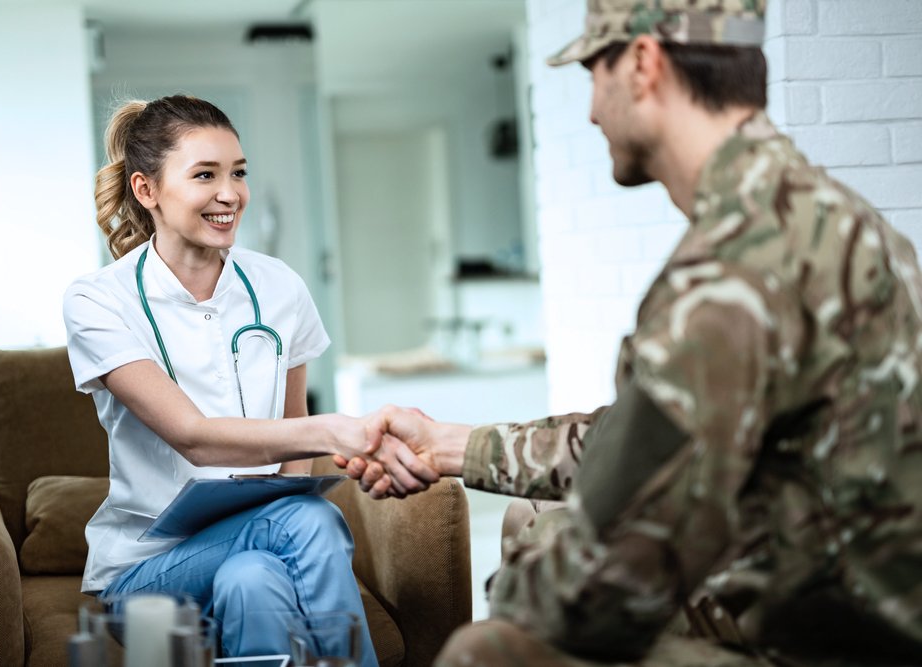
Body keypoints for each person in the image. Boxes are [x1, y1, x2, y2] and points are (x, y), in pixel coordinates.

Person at [339, 1, 922, 665]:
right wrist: (455, 446)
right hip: (830, 587)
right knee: (529, 519)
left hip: (826, 643)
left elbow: (597, 591)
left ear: (643, 64)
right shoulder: (831, 218)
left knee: (487, 649)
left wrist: (516, 587)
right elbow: (637, 439)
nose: (590, 109)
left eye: (594, 72)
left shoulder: (730, 271)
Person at [62, 94, 433, 662]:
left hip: (256, 544)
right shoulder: (98, 300)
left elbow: (291, 422)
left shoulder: (279, 285)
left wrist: (313, 443)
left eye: (238, 173)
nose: (230, 194)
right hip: (145, 571)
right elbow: (192, 435)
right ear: (147, 191)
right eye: (205, 175)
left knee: (253, 577)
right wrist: (338, 432)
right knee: (306, 516)